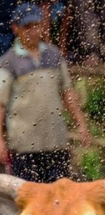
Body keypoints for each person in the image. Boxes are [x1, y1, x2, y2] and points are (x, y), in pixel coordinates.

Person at [0, 2, 90, 182]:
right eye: (27, 26)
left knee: (59, 194)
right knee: (30, 198)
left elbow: (67, 92)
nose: (32, 31)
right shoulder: (8, 62)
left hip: (55, 141)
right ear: (15, 28)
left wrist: (81, 123)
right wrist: (1, 141)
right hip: (24, 146)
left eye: (36, 25)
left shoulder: (54, 55)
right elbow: (1, 105)